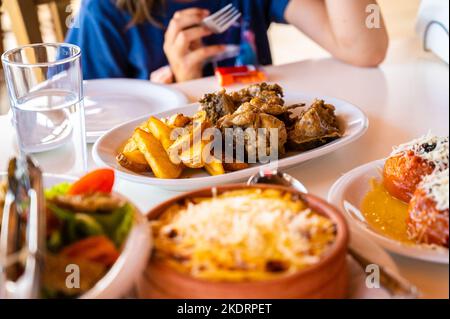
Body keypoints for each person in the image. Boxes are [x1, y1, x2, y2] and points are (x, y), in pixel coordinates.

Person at [66, 0, 389, 83]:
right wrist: (177, 90)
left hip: (257, 162)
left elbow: (365, 48)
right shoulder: (102, 11)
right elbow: (68, 114)